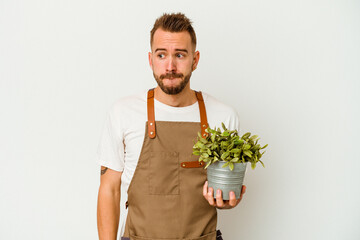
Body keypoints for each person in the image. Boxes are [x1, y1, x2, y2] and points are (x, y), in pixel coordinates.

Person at [97, 12, 246, 240]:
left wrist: (227, 200)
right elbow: (109, 189)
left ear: (195, 60)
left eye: (180, 55)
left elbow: (226, 187)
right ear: (150, 60)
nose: (170, 66)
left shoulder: (223, 116)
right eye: (161, 55)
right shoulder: (123, 112)